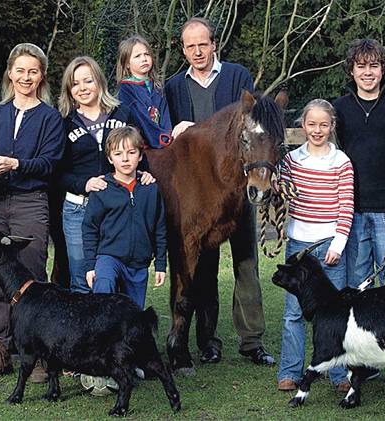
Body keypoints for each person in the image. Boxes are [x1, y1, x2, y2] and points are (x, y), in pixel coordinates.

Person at [163, 17, 274, 366]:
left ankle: (251, 340)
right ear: (183, 50)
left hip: (238, 184)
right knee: (204, 264)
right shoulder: (173, 86)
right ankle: (207, 340)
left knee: (245, 262)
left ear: (214, 44)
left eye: (203, 44)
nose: (197, 52)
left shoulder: (237, 77)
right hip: (199, 188)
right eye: (190, 46)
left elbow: (250, 122)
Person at [0, 43, 64, 381]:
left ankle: (39, 354)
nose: (26, 77)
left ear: (41, 76)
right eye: (20, 70)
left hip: (30, 202)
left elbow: (50, 163)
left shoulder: (50, 117)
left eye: (33, 71)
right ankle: (1, 352)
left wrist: (17, 164)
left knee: (31, 279)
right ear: (10, 73)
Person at [57, 56, 153, 294]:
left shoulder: (123, 113)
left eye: (88, 81)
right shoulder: (63, 122)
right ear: (69, 89)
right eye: (75, 83)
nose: (82, 88)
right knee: (82, 280)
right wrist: (84, 183)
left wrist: (146, 174)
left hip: (116, 210)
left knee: (117, 277)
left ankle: (117, 332)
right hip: (79, 209)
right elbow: (57, 172)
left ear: (99, 81)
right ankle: (85, 333)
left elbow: (139, 152)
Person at [276, 99, 354, 393]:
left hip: (330, 245)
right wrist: (275, 187)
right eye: (311, 124)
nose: (317, 130)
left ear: (332, 126)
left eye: (323, 124)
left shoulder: (341, 162)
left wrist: (339, 243)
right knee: (294, 312)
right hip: (299, 246)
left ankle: (337, 373)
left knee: (334, 312)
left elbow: (346, 206)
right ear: (303, 126)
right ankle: (290, 371)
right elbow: (281, 194)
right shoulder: (291, 161)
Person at [333, 39, 385, 288]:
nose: (367, 72)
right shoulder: (338, 109)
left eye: (374, 65)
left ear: (383, 69)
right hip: (353, 213)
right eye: (361, 66)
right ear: (351, 70)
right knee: (359, 288)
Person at [83, 126, 167, 309]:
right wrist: (91, 266)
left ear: (140, 155)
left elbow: (160, 229)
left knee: (133, 316)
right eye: (118, 153)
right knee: (103, 290)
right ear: (110, 158)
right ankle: (100, 336)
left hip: (139, 263)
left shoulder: (150, 189)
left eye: (131, 152)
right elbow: (89, 228)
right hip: (109, 257)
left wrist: (160, 264)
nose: (125, 159)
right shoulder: (102, 189)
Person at [116, 35, 172, 148]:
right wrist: (159, 138)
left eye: (147, 54)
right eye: (137, 56)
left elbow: (165, 114)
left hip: (164, 141)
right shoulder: (126, 89)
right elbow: (141, 119)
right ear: (127, 64)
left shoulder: (157, 86)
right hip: (140, 145)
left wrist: (167, 134)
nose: (144, 59)